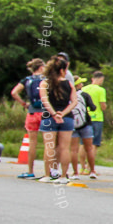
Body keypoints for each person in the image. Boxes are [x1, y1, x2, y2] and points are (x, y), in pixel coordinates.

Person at [37, 55, 77, 183]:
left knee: (49, 147)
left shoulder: (44, 83)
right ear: (62, 70)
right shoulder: (69, 84)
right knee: (65, 148)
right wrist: (63, 114)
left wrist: (54, 114)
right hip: (67, 118)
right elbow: (74, 102)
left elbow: (45, 101)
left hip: (49, 118)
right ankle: (64, 176)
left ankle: (48, 175)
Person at [10, 57, 46, 178]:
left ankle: (30, 170)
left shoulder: (27, 80)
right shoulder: (46, 79)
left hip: (32, 112)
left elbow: (14, 92)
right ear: (41, 68)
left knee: (32, 143)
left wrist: (24, 104)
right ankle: (49, 172)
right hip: (45, 113)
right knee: (49, 143)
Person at [69, 76, 98, 180]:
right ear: (77, 85)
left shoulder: (68, 95)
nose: (82, 85)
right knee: (89, 148)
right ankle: (92, 171)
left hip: (72, 124)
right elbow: (93, 108)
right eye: (81, 83)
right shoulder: (85, 95)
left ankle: (75, 173)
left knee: (73, 150)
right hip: (86, 123)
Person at [80, 71, 108, 151]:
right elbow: (102, 105)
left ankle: (82, 163)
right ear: (101, 79)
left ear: (92, 79)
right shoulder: (101, 90)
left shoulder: (84, 88)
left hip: (85, 117)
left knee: (83, 143)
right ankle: (90, 163)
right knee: (94, 143)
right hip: (97, 118)